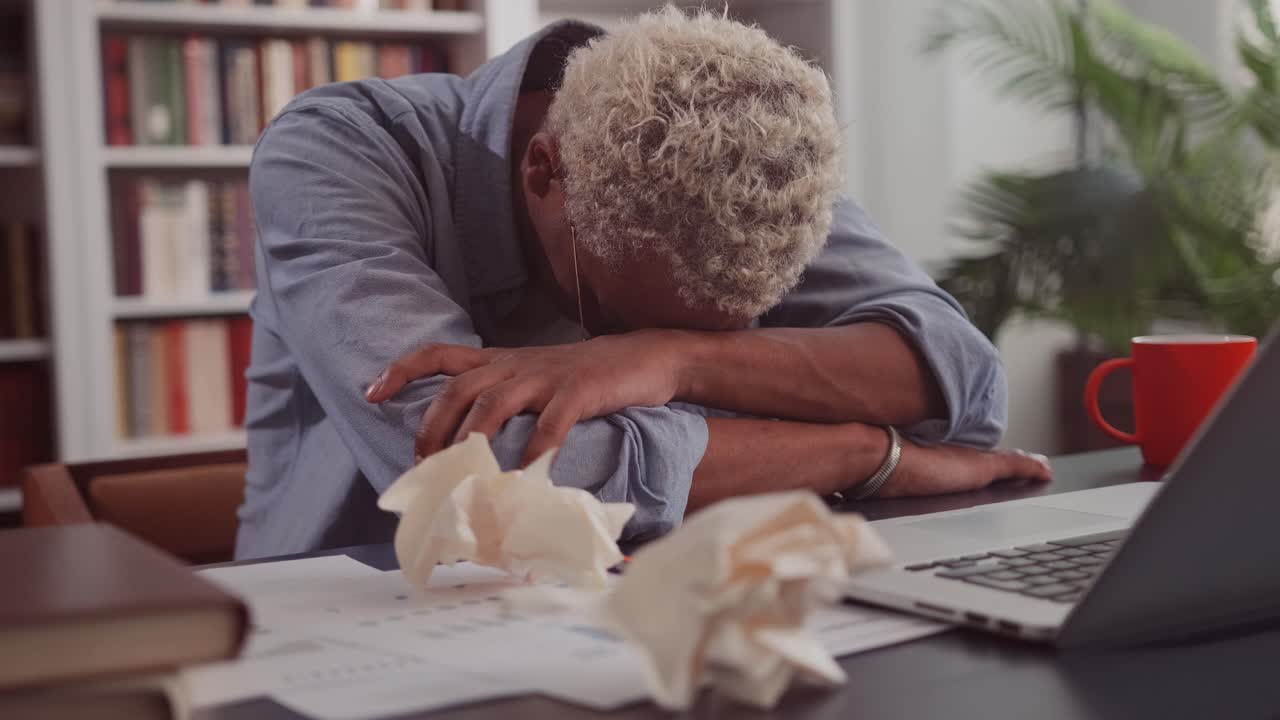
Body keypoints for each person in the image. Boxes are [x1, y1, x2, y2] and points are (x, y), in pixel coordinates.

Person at [235, 8, 1051, 560]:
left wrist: (672, 359)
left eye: (728, 329)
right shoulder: (337, 151)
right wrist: (864, 453)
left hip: (642, 595)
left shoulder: (746, 152)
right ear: (544, 171)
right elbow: (473, 481)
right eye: (610, 317)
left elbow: (958, 378)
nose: (618, 347)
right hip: (361, 615)